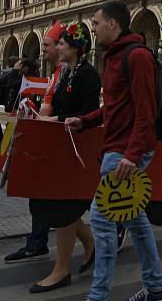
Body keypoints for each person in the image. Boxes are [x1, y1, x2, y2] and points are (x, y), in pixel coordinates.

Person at [65, 2, 162, 301]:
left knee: (101, 218)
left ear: (112, 23)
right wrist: (85, 121)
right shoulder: (115, 57)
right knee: (135, 220)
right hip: (118, 147)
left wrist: (132, 155)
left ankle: (98, 296)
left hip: (125, 152)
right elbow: (114, 107)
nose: (92, 29)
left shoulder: (136, 56)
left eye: (95, 23)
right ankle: (156, 288)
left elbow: (146, 111)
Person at [28, 22, 98, 293]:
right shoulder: (68, 73)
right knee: (61, 207)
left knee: (65, 208)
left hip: (76, 149)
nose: (58, 47)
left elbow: (88, 113)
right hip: (62, 146)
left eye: (62, 44)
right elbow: (57, 105)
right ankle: (90, 243)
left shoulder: (87, 75)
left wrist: (59, 118)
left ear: (76, 49)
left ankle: (62, 269)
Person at [4, 21, 66, 264]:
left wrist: (50, 117)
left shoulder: (72, 74)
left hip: (65, 144)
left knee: (66, 202)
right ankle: (37, 242)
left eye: (48, 45)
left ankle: (110, 232)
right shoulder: (57, 74)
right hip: (49, 142)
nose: (44, 50)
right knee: (42, 195)